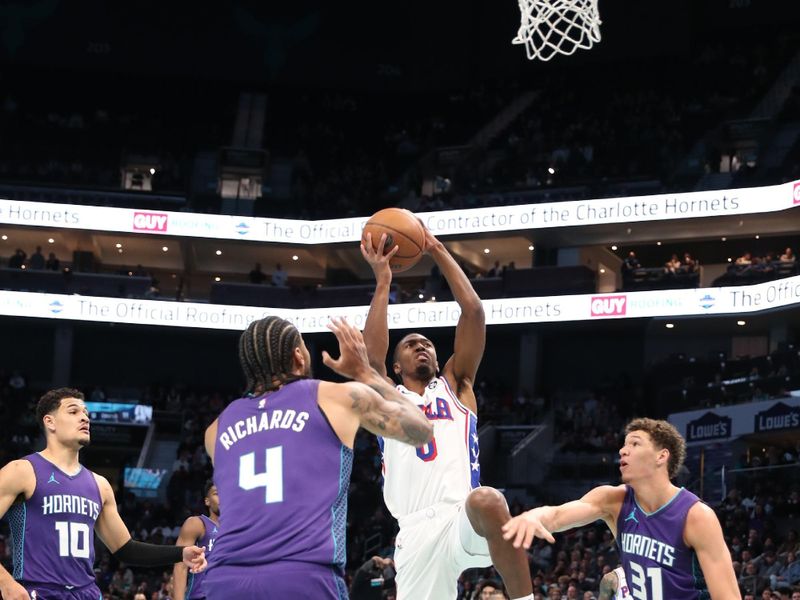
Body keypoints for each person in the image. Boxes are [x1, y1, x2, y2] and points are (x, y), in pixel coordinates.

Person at [202, 316, 433, 598]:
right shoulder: (335, 397)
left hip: (224, 580)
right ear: (298, 357)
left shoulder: (215, 431)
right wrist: (366, 374)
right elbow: (422, 430)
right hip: (302, 575)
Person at [361, 228, 533, 600]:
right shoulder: (390, 397)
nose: (421, 346)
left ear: (439, 359)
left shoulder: (456, 385)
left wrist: (436, 248)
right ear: (396, 366)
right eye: (410, 344)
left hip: (461, 516)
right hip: (416, 528)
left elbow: (473, 312)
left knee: (487, 499)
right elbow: (370, 358)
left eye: (427, 344)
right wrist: (383, 279)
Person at [0, 388, 206, 600]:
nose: (84, 418)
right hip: (39, 591)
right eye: (73, 412)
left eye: (86, 414)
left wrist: (180, 553)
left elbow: (127, 549)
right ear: (50, 422)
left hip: (87, 593)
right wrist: (6, 583)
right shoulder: (21, 470)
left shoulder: (100, 485)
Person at [503, 418, 739, 599]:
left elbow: (728, 596)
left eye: (635, 444)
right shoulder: (613, 501)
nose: (622, 450)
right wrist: (533, 515)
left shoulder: (696, 516)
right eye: (624, 444)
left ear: (661, 456)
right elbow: (558, 515)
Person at [173, 481, 220, 600]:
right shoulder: (197, 524)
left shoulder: (239, 529)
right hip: (202, 596)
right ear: (207, 501)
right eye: (217, 493)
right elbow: (180, 566)